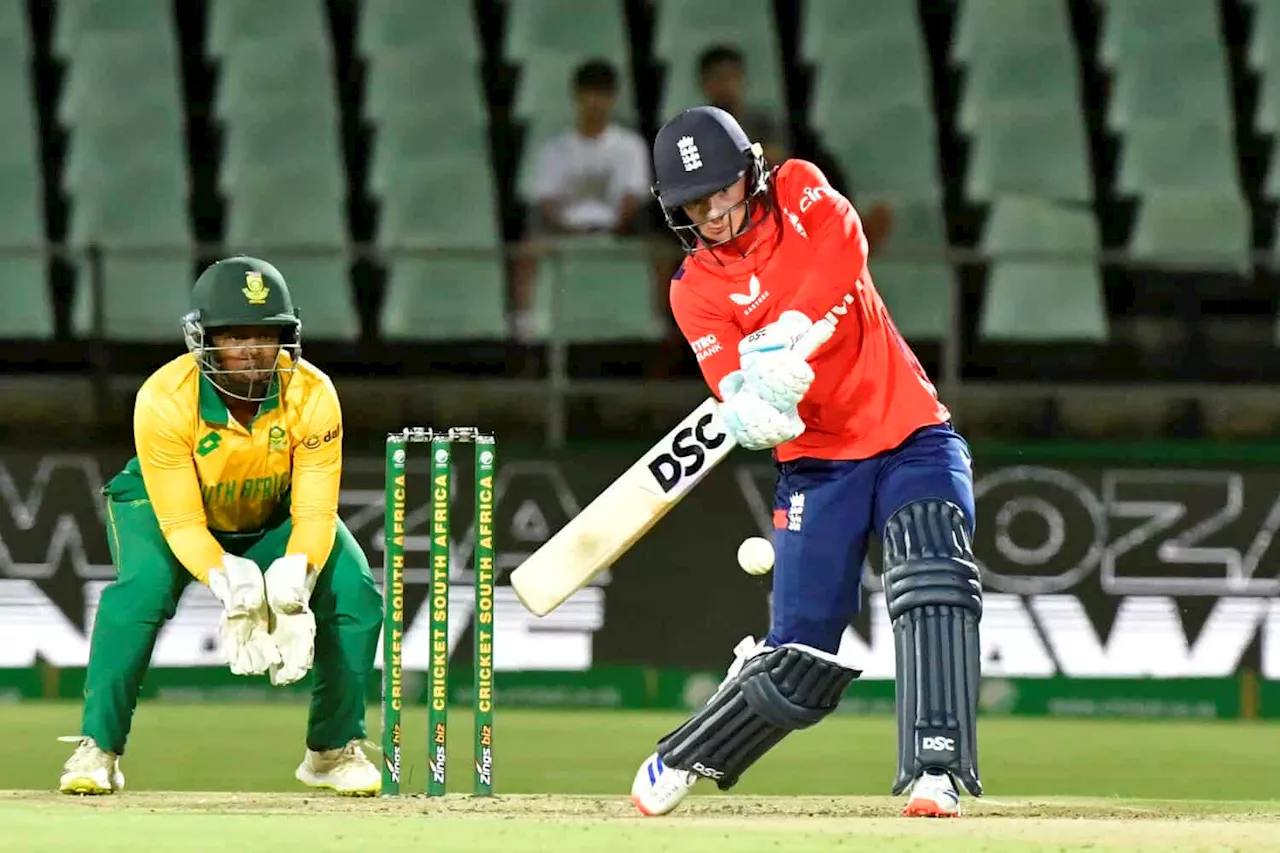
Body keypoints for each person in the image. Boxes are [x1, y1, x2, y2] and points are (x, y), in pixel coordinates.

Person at [628, 107, 983, 818]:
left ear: (749, 173)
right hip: (818, 465)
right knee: (800, 666)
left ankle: (935, 769)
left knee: (933, 570)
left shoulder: (798, 188)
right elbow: (729, 384)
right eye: (696, 204)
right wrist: (756, 409)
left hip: (910, 429)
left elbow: (844, 245)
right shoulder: (693, 289)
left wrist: (791, 328)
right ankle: (685, 751)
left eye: (722, 190)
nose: (715, 213)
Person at [57, 256, 384, 797]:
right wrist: (226, 582)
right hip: (163, 507)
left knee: (354, 591)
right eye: (234, 336)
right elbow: (183, 521)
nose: (253, 351)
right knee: (140, 594)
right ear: (202, 337)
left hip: (269, 509)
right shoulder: (164, 398)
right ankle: (99, 749)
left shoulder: (313, 393)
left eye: (266, 335)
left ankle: (331, 751)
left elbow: (316, 512)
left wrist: (297, 575)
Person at [511, 59, 653, 340]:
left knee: (659, 251)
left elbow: (630, 201)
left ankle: (658, 324)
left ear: (613, 99)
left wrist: (609, 229)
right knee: (527, 250)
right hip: (563, 232)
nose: (596, 102)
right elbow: (547, 205)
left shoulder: (629, 146)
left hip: (615, 231)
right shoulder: (555, 149)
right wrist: (571, 231)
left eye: (603, 94)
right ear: (577, 96)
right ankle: (524, 323)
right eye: (590, 93)